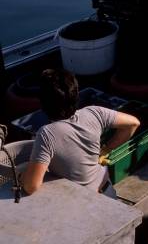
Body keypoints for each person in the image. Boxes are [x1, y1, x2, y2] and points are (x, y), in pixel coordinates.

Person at [21, 68, 140, 196]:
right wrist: (107, 149)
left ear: (43, 102)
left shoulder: (46, 134)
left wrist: (23, 176)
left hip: (85, 203)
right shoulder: (95, 112)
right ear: (75, 95)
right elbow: (133, 123)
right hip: (107, 191)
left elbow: (31, 186)